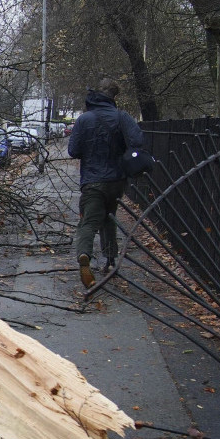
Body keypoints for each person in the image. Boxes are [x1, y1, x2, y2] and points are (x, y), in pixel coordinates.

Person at [67, 78, 144, 289]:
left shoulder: (84, 120)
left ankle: (84, 254)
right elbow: (138, 142)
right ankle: (110, 261)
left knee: (89, 222)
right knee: (109, 218)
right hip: (116, 180)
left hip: (92, 180)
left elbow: (73, 150)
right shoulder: (122, 118)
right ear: (113, 96)